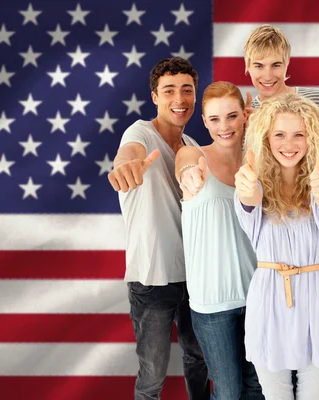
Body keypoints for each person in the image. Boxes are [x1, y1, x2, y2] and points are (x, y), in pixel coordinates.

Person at [107, 57, 210, 400]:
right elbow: (128, 154)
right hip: (152, 279)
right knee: (152, 375)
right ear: (154, 96)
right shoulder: (140, 133)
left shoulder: (195, 148)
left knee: (200, 361)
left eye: (187, 90)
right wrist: (126, 166)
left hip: (196, 278)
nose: (179, 98)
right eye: (169, 90)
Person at [234, 93, 319, 399]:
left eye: (299, 134)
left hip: (316, 301)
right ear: (266, 139)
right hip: (269, 299)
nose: (289, 143)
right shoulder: (252, 183)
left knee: (314, 394)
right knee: (275, 395)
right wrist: (247, 191)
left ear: (313, 139)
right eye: (279, 134)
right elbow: (248, 202)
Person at [175, 81, 264, 400]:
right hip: (212, 303)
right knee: (227, 391)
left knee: (258, 386)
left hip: (259, 296)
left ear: (245, 115)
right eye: (214, 119)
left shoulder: (262, 161)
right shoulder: (193, 154)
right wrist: (189, 176)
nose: (224, 126)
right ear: (203, 120)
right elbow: (184, 166)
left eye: (231, 116)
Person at [242, 24, 319, 141]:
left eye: (276, 65)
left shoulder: (318, 100)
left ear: (287, 64)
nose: (268, 76)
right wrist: (249, 136)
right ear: (248, 66)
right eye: (259, 66)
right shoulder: (245, 115)